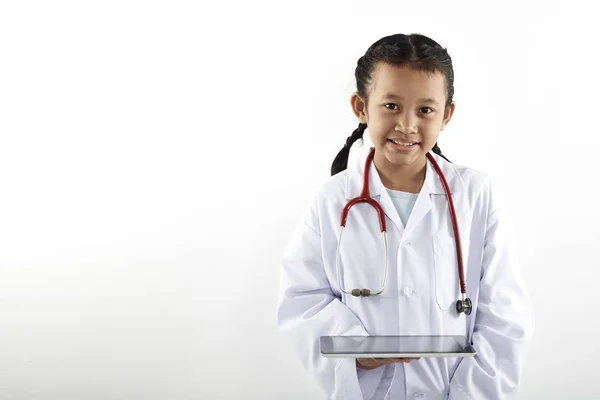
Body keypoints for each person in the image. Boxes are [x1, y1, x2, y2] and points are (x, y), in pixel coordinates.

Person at [276, 33, 534, 400]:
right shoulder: (333, 200)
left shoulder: (475, 195)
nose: (407, 125)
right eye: (391, 106)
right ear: (361, 107)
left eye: (425, 110)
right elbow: (302, 298)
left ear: (447, 114)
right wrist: (357, 350)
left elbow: (505, 318)